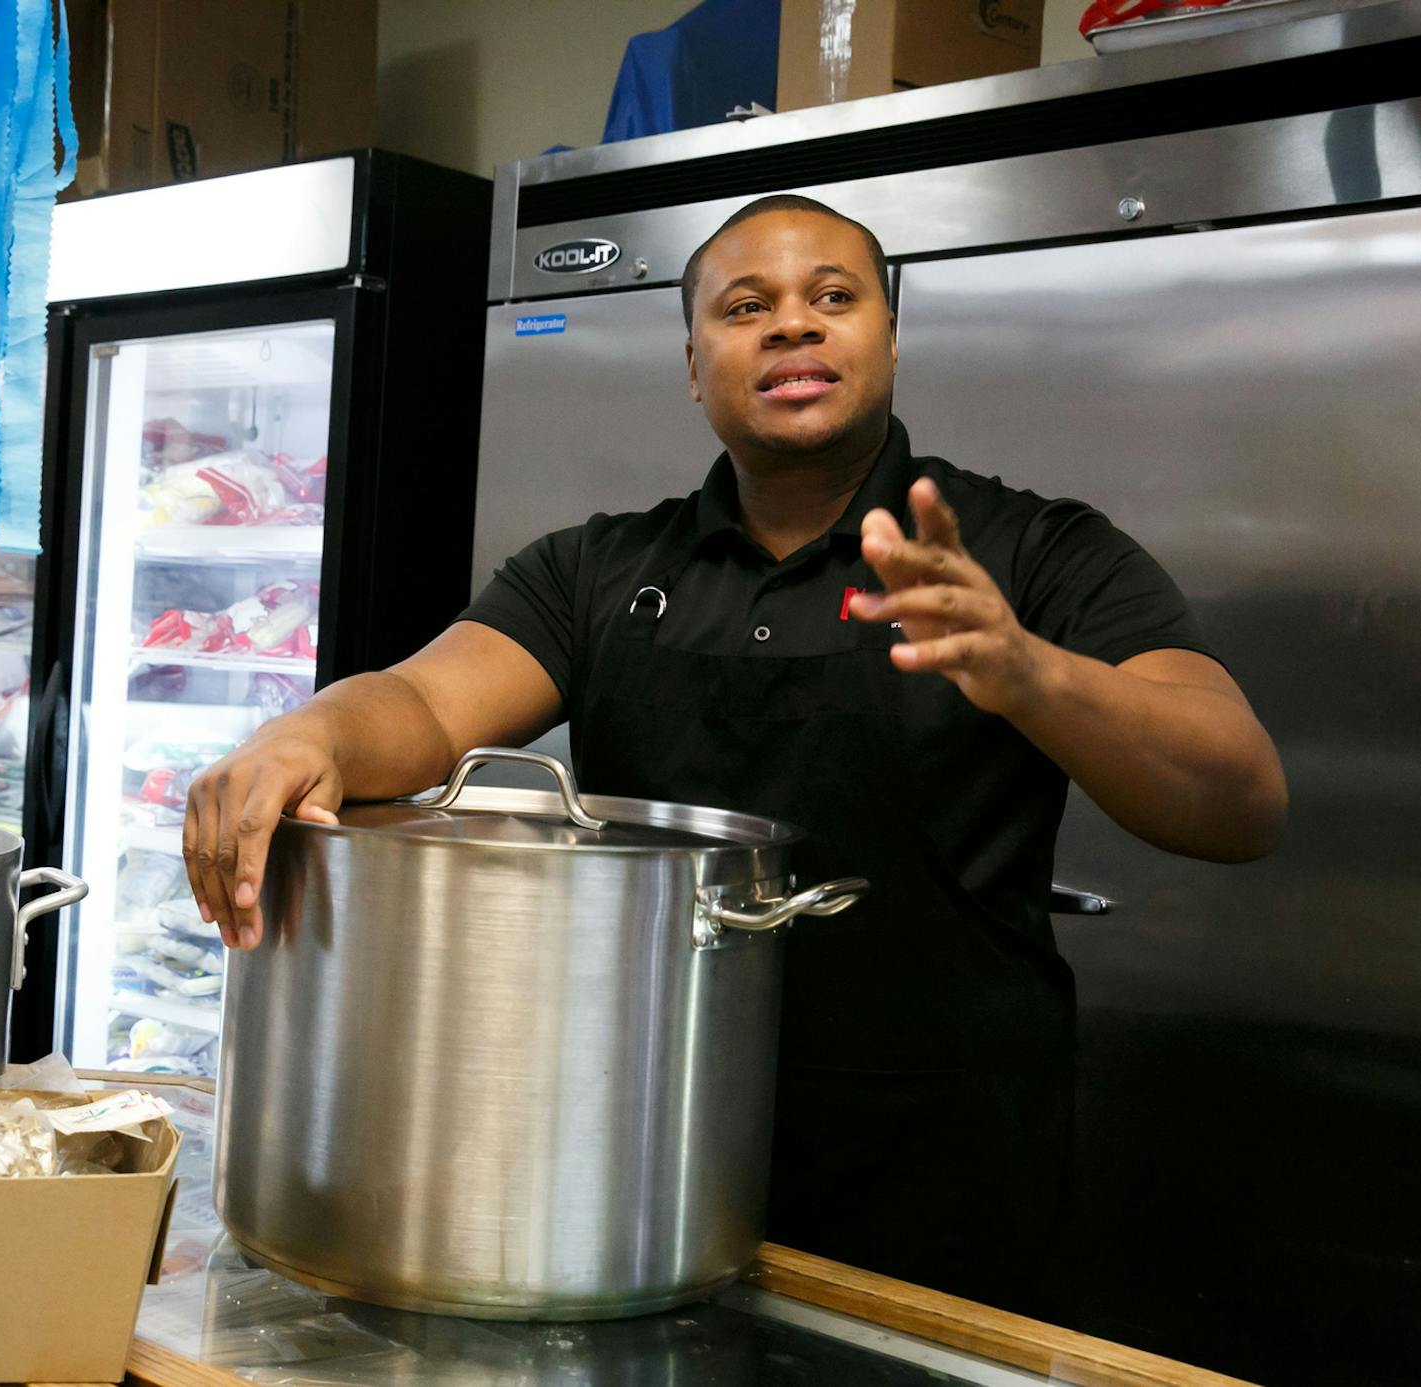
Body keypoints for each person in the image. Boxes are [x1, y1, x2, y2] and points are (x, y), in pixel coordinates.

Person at [179, 194, 1287, 1315]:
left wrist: (1034, 674)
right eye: (746, 307)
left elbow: (1239, 798)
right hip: (628, 1160)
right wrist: (305, 733)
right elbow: (423, 700)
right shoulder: (596, 570)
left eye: (833, 297)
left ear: (891, 338)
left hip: (944, 1177)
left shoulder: (1037, 552)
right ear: (694, 366)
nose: (793, 324)